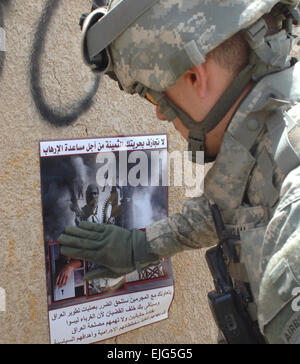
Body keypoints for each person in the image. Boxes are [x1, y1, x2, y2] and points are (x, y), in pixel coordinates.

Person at [58, 0, 300, 344]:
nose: (161, 115)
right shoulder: (269, 137)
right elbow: (233, 208)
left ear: (194, 76)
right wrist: (140, 246)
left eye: (157, 99)